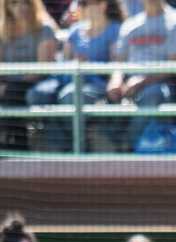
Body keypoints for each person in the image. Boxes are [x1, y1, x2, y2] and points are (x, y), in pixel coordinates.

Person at [26, 0, 124, 151]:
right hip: (66, 79)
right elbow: (65, 62)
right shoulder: (75, 30)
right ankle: (60, 150)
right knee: (37, 95)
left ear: (102, 5)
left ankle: (76, 148)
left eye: (85, 3)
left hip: (97, 84)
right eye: (80, 3)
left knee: (70, 96)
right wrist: (74, 64)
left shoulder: (115, 30)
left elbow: (116, 63)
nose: (80, 7)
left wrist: (89, 66)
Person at [107, 0, 176, 150]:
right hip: (128, 87)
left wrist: (143, 81)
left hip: (162, 86)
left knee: (152, 94)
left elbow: (175, 66)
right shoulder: (130, 24)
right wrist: (115, 81)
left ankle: (128, 148)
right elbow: (118, 62)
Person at [1, 0, 59, 150]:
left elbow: (40, 70)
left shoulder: (45, 29)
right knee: (10, 93)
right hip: (9, 87)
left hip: (39, 83)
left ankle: (16, 147)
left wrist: (8, 85)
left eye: (25, 2)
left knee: (12, 93)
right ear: (7, 8)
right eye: (14, 3)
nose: (20, 7)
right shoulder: (2, 33)